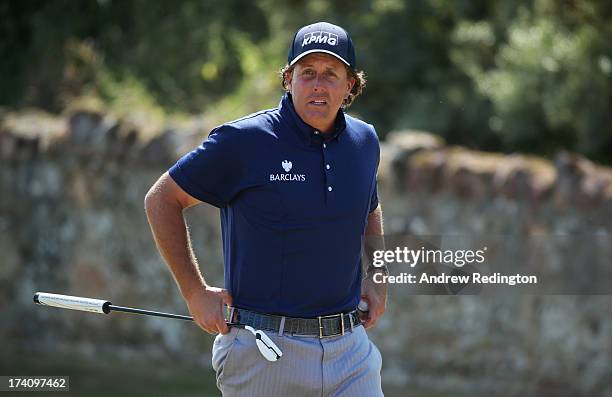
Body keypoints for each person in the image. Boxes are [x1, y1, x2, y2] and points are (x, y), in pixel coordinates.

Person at [144, 21, 388, 396]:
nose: (318, 85)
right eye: (307, 73)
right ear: (288, 79)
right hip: (264, 354)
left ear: (350, 85)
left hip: (350, 353)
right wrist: (194, 292)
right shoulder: (244, 141)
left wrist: (379, 274)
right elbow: (162, 199)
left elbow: (369, 206)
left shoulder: (364, 140)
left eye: (330, 74)